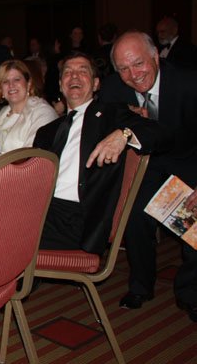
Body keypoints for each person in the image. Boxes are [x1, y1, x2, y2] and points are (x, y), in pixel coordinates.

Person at [99, 31, 197, 318]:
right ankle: (141, 284)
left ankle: (190, 292)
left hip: (189, 160)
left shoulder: (189, 83)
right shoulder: (113, 88)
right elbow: (111, 117)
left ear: (156, 57)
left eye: (139, 64)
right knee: (132, 217)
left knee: (192, 224)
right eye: (123, 69)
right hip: (146, 162)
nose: (133, 75)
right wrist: (130, 121)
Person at [34, 52, 162, 254]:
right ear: (60, 85)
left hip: (78, 218)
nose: (74, 77)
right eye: (68, 72)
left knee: (3, 228)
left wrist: (124, 134)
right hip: (43, 210)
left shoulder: (111, 115)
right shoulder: (46, 132)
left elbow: (156, 131)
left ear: (95, 84)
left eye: (82, 71)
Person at [0, 60, 57, 162]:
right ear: (0, 89)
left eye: (17, 79)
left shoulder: (43, 112)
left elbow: (31, 156)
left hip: (18, 175)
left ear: (28, 84)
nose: (11, 85)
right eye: (5, 81)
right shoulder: (2, 114)